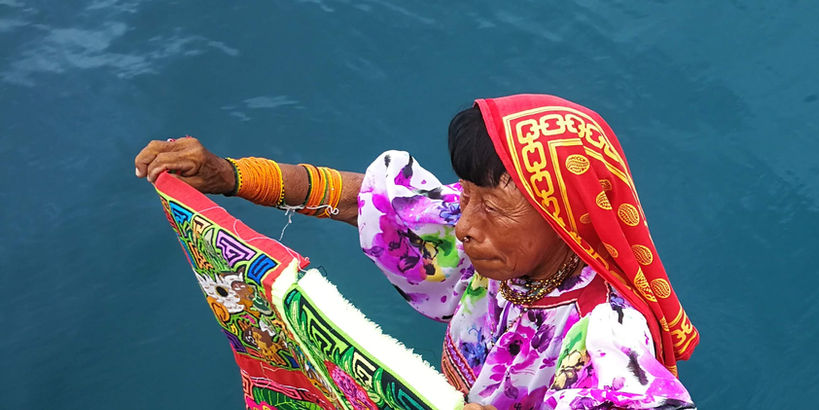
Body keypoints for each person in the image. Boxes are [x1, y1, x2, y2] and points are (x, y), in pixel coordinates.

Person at [134, 94, 699, 410]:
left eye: (492, 207)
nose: (464, 225)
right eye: (467, 195)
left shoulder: (607, 335)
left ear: (565, 220)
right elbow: (370, 200)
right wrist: (230, 176)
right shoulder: (503, 244)